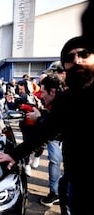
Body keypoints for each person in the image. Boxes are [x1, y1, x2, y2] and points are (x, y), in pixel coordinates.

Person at [0, 36, 94, 215]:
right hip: (76, 179)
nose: (77, 60)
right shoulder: (67, 99)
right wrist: (14, 155)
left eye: (84, 54)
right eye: (70, 58)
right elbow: (45, 133)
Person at [26, 73, 66, 208]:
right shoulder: (39, 95)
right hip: (53, 133)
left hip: (54, 131)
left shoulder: (68, 99)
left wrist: (40, 118)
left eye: (43, 90)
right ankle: (54, 192)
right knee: (55, 160)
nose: (41, 94)